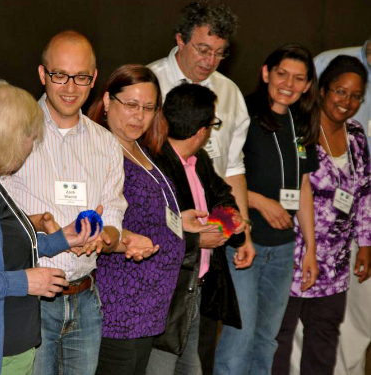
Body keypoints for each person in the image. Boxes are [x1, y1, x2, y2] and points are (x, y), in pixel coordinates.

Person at [0, 80, 98, 375]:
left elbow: (5, 243)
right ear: (9, 136)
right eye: (30, 137)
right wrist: (25, 282)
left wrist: (62, 238)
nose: (31, 146)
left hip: (13, 345)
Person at [4, 31, 128, 375]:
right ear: (42, 74)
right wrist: (41, 224)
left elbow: (114, 208)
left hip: (87, 299)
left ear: (94, 79)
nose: (70, 88)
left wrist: (107, 237)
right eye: (60, 75)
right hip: (31, 301)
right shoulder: (12, 133)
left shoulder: (106, 143)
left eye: (81, 77)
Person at [147, 3, 254, 371]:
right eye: (203, 49)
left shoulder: (230, 93)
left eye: (220, 53)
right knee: (160, 356)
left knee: (199, 353)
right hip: (161, 258)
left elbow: (233, 170)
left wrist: (239, 230)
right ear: (180, 40)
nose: (210, 61)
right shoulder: (147, 83)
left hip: (208, 255)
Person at [88, 64, 212, 375]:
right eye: (130, 105)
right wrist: (125, 237)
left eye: (148, 108)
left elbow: (142, 208)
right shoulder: (99, 150)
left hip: (149, 308)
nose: (139, 116)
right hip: (121, 307)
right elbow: (92, 220)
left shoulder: (140, 149)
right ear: (106, 101)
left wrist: (177, 221)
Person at [213, 43, 320, 375]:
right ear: (265, 73)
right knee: (239, 336)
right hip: (243, 242)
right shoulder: (242, 113)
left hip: (283, 248)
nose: (288, 83)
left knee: (267, 338)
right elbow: (220, 174)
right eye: (281, 74)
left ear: (306, 85)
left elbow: (303, 186)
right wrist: (259, 201)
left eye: (298, 78)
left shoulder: (300, 123)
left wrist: (310, 249)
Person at [273, 55, 371, 375]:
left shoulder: (356, 134)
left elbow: (365, 192)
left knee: (323, 342)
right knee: (279, 339)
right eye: (341, 92)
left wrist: (365, 243)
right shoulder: (298, 131)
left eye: (356, 96)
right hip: (293, 255)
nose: (348, 102)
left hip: (335, 264)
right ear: (323, 90)